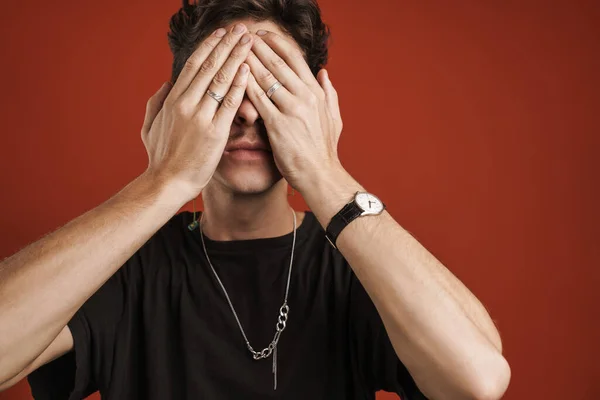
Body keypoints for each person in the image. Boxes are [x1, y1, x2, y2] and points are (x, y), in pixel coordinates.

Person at [0, 0, 510, 399]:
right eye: (222, 83)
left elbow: (478, 381)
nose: (246, 113)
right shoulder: (126, 269)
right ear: (178, 105)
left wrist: (325, 173)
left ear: (316, 105)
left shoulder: (356, 264)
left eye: (272, 86)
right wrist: (164, 181)